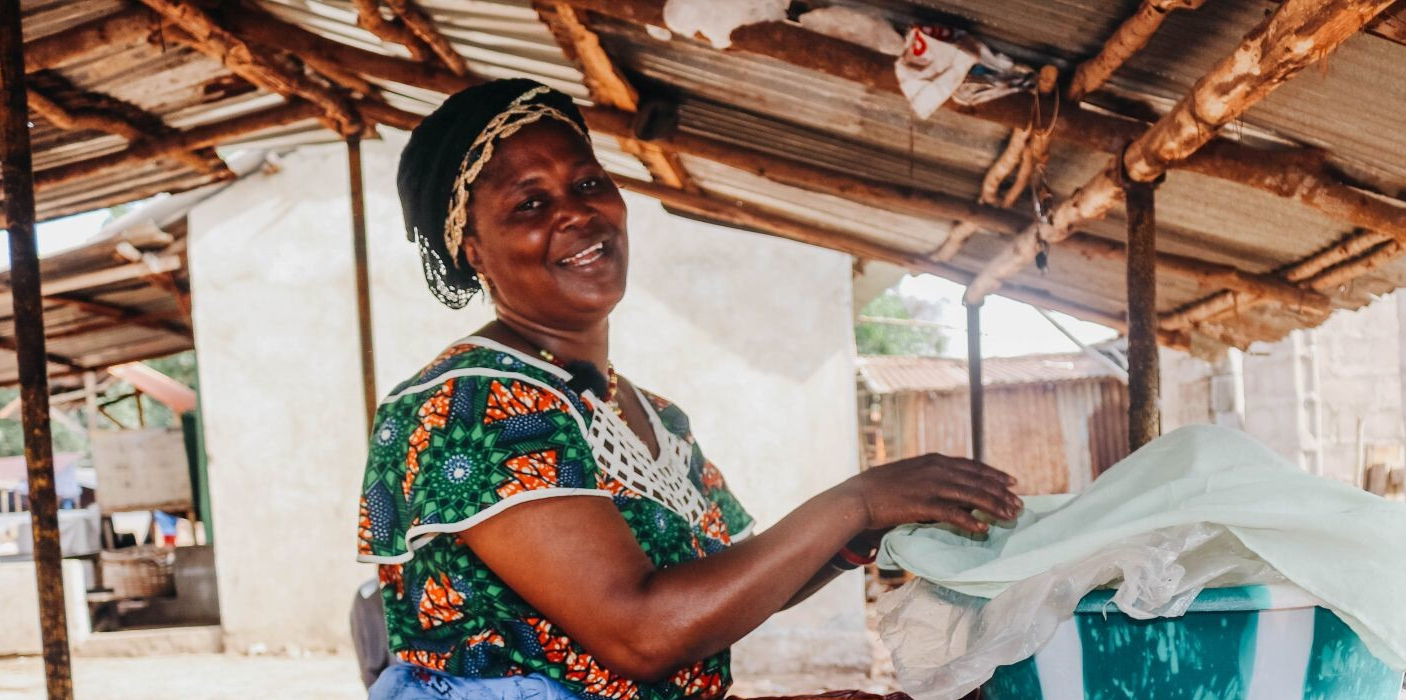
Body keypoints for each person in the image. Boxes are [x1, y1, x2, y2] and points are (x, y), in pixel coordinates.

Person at [356, 79, 1022, 700]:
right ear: (472, 249)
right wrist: (855, 502)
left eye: (588, 182)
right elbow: (643, 632)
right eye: (530, 203)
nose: (577, 214)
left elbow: (720, 588)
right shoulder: (468, 406)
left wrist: (867, 531)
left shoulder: (652, 415)